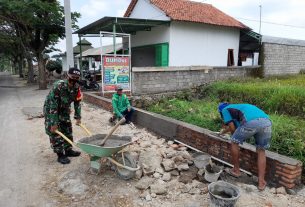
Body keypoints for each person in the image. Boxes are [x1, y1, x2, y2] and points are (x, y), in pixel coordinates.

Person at [218, 103, 272, 191]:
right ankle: (261, 181)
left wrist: (235, 138)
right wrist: (222, 133)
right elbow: (238, 127)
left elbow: (232, 128)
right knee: (261, 151)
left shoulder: (224, 110)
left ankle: (236, 170)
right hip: (267, 122)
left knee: (234, 142)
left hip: (252, 122)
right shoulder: (239, 108)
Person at [43, 67, 82, 164]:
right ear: (68, 75)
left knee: (67, 128)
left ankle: (68, 150)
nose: (75, 79)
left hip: (64, 109)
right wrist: (53, 122)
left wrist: (78, 117)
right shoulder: (59, 86)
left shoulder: (76, 87)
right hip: (51, 110)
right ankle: (60, 154)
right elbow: (53, 104)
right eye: (73, 77)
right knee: (55, 131)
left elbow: (77, 102)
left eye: (77, 77)